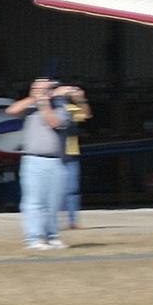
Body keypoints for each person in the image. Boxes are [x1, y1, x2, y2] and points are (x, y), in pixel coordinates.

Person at [6, 77, 70, 250]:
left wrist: (45, 103)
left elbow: (54, 122)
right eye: (35, 87)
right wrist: (36, 98)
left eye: (43, 88)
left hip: (56, 161)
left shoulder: (60, 108)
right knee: (34, 201)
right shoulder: (29, 107)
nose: (39, 90)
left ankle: (52, 236)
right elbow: (11, 111)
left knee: (53, 202)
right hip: (33, 160)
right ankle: (34, 238)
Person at [56, 82, 90, 231]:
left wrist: (80, 99)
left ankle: (72, 220)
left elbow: (86, 114)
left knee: (71, 189)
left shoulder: (70, 108)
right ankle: (56, 220)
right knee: (56, 189)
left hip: (70, 152)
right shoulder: (52, 107)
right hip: (54, 153)